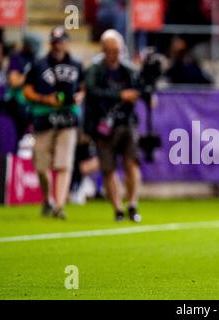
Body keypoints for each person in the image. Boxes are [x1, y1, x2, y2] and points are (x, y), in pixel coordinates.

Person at [23, 26, 84, 219]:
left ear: (66, 42)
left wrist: (79, 97)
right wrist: (45, 99)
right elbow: (27, 90)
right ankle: (47, 199)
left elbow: (83, 88)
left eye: (61, 41)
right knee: (42, 166)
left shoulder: (76, 64)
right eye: (55, 42)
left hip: (68, 117)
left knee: (64, 163)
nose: (58, 45)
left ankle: (59, 206)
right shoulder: (39, 64)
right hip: (44, 117)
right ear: (51, 43)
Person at [85, 29, 142, 222]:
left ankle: (133, 204)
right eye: (109, 50)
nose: (113, 54)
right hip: (104, 125)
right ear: (102, 50)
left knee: (131, 163)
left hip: (126, 123)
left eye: (116, 49)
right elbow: (91, 92)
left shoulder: (129, 70)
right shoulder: (95, 69)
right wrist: (120, 95)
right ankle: (118, 209)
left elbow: (142, 88)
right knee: (108, 168)